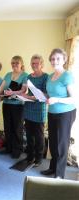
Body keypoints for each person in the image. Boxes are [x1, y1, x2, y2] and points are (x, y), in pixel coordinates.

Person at [41, 48, 76, 179]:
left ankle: (59, 174)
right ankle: (52, 168)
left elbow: (73, 98)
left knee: (61, 143)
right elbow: (50, 94)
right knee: (53, 142)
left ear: (64, 60)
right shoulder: (50, 76)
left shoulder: (67, 76)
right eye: (53, 58)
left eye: (58, 58)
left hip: (65, 113)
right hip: (52, 111)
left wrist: (57, 99)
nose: (55, 61)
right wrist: (43, 96)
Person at [0, 55, 28, 159]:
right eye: (13, 63)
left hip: (18, 106)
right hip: (6, 104)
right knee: (8, 127)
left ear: (21, 64)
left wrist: (12, 92)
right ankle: (8, 147)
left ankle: (17, 149)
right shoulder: (8, 74)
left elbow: (24, 90)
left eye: (17, 63)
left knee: (17, 128)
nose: (14, 65)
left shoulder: (25, 75)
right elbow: (1, 88)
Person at [21, 55, 48, 166]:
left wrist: (34, 97)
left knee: (39, 136)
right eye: (32, 63)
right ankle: (30, 156)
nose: (34, 65)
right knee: (29, 134)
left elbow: (47, 94)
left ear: (41, 64)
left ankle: (39, 158)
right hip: (28, 108)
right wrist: (22, 95)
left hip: (39, 109)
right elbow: (26, 91)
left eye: (37, 63)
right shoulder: (28, 77)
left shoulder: (46, 77)